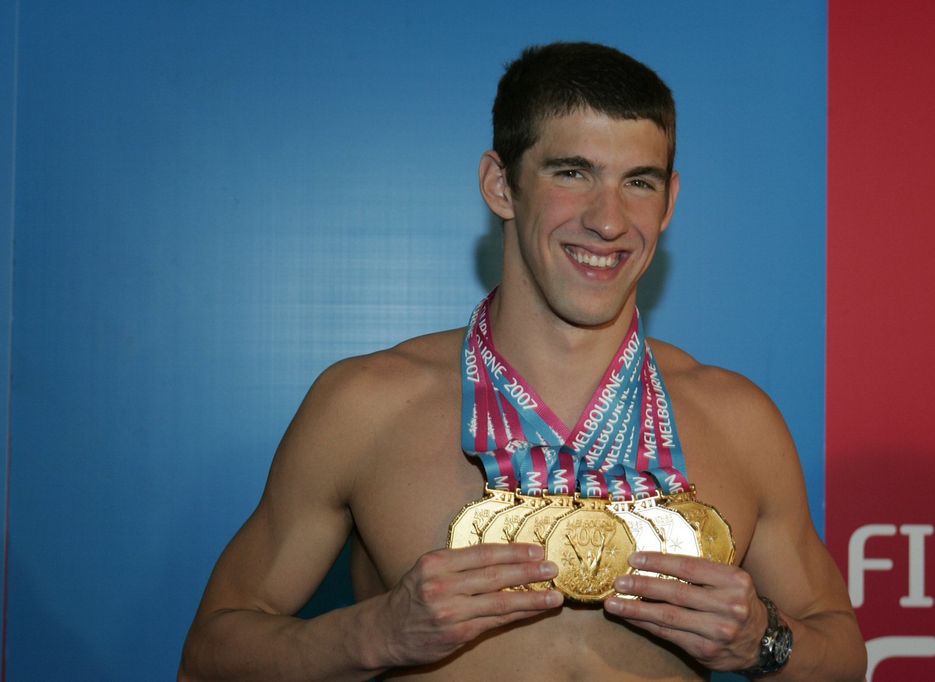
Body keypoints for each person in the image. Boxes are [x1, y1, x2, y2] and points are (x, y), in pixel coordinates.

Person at [180, 42, 866, 681]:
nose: (608, 220)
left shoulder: (737, 420)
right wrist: (376, 634)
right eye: (573, 173)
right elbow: (209, 653)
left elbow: (843, 656)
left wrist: (762, 640)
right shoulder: (367, 405)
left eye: (640, 182)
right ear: (501, 185)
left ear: (671, 202)